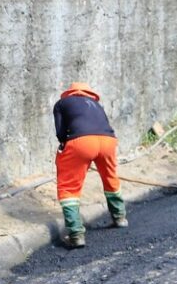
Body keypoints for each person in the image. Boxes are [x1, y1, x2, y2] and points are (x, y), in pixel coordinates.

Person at [53, 82, 126, 247]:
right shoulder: (97, 105)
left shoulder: (62, 103)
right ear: (89, 93)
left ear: (69, 93)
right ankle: (120, 217)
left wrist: (68, 149)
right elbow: (104, 125)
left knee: (69, 187)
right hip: (108, 141)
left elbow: (60, 133)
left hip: (81, 141)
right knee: (110, 177)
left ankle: (76, 234)